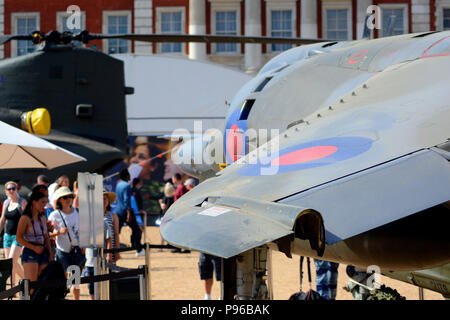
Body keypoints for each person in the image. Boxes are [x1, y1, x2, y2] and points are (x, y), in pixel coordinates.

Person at [48, 187, 85, 300]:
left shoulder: (78, 212)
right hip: (62, 252)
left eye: (70, 196)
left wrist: (83, 244)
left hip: (76, 251)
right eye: (65, 197)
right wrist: (59, 232)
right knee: (62, 282)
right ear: (59, 200)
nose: (68, 199)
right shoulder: (54, 215)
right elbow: (47, 234)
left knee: (75, 282)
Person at [16, 191, 53, 289]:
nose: (44, 205)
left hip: (43, 251)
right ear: (34, 202)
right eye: (42, 202)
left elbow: (46, 237)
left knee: (44, 286)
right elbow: (18, 238)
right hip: (30, 252)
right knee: (32, 287)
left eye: (45, 203)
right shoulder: (25, 218)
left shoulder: (42, 217)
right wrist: (34, 248)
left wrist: (50, 253)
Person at [84, 190, 114, 300]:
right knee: (91, 285)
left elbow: (110, 239)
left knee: (105, 283)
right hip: (90, 259)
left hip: (102, 259)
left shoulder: (105, 221)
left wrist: (109, 255)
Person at [0, 181, 27, 286]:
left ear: (17, 190)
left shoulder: (22, 202)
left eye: (13, 188)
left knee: (12, 262)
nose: (11, 191)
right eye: (9, 189)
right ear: (6, 191)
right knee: (10, 264)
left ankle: (28, 281)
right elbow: (2, 219)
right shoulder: (6, 203)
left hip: (18, 236)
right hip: (7, 236)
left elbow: (27, 220)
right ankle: (13, 287)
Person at [115, 168, 145, 256]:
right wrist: (128, 213)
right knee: (136, 231)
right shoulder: (127, 186)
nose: (130, 176)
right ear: (127, 175)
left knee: (116, 232)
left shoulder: (118, 185)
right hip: (126, 212)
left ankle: (112, 250)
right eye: (129, 174)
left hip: (118, 211)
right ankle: (139, 250)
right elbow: (126, 200)